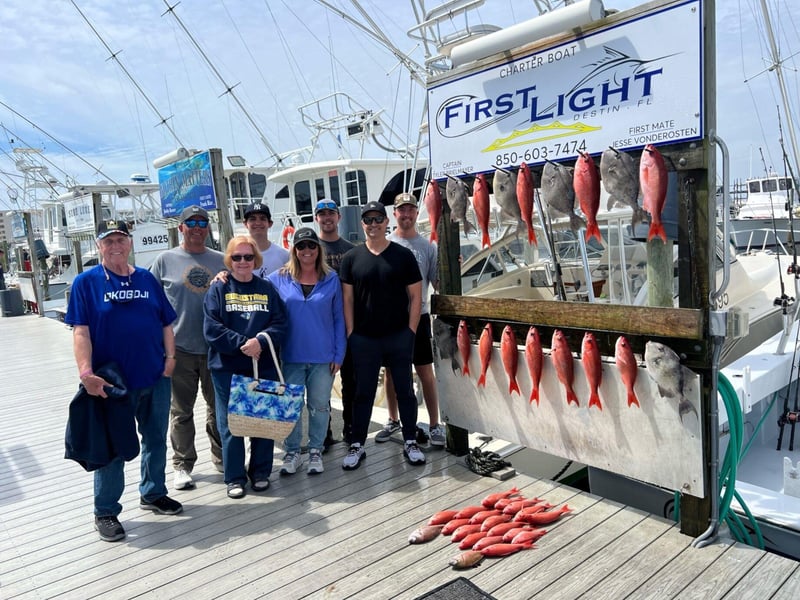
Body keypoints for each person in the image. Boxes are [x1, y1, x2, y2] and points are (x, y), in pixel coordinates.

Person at [65, 219, 182, 543]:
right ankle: (105, 511)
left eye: (121, 239)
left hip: (154, 377)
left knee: (156, 438)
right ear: (99, 245)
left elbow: (166, 323)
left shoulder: (146, 278)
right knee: (112, 448)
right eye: (108, 241)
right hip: (111, 384)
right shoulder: (85, 283)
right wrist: (86, 373)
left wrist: (170, 360)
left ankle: (153, 492)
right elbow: (81, 332)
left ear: (129, 243)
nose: (115, 245)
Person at [339, 200, 425, 469]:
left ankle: (410, 441)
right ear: (362, 224)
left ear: (387, 222)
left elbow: (416, 295)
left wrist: (411, 331)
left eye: (378, 219)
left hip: (399, 335)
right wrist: (351, 333)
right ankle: (357, 444)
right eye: (368, 220)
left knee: (405, 391)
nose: (373, 224)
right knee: (362, 392)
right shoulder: (351, 258)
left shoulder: (403, 255)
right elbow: (348, 300)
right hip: (364, 338)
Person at [203, 235, 287, 499]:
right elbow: (212, 328)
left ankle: (260, 472)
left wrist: (261, 340)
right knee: (231, 425)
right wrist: (243, 343)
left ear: (255, 259)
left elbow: (281, 323)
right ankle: (235, 477)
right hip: (228, 366)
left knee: (262, 420)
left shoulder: (267, 288)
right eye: (237, 257)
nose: (242, 262)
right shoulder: (219, 288)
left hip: (262, 365)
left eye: (248, 257)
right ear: (229, 259)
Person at [150, 205, 225, 490]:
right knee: (181, 411)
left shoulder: (221, 259)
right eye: (190, 222)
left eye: (202, 222)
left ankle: (222, 458)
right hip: (178, 349)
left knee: (218, 408)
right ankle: (182, 464)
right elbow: (150, 304)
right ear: (180, 227)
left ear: (208, 228)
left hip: (215, 348)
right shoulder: (164, 260)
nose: (196, 226)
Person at [268, 227, 346, 475]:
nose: (307, 251)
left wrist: (339, 354)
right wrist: (224, 276)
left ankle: (315, 451)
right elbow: (247, 282)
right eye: (301, 246)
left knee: (320, 406)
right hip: (290, 356)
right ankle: (292, 452)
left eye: (311, 245)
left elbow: (339, 320)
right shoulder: (278, 278)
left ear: (318, 249)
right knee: (291, 406)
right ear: (294, 250)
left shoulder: (331, 278)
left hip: (323, 357)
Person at [378, 192, 445, 446]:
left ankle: (435, 424)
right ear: (394, 214)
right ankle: (393, 419)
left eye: (410, 210)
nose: (406, 214)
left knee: (425, 372)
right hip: (392, 320)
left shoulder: (428, 247)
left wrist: (452, 265)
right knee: (392, 374)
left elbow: (437, 283)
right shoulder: (385, 244)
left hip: (421, 316)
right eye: (401, 210)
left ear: (417, 213)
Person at [314, 199, 355, 446]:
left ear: (338, 217)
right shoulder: (309, 248)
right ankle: (324, 433)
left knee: (351, 381)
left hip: (347, 323)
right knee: (321, 385)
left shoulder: (351, 248)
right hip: (320, 325)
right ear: (316, 218)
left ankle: (350, 430)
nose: (327, 218)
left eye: (331, 213)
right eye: (322, 214)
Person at [243, 202, 289, 277]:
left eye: (262, 219)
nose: (258, 223)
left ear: (270, 223)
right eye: (252, 219)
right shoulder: (238, 257)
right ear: (245, 224)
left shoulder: (284, 255)